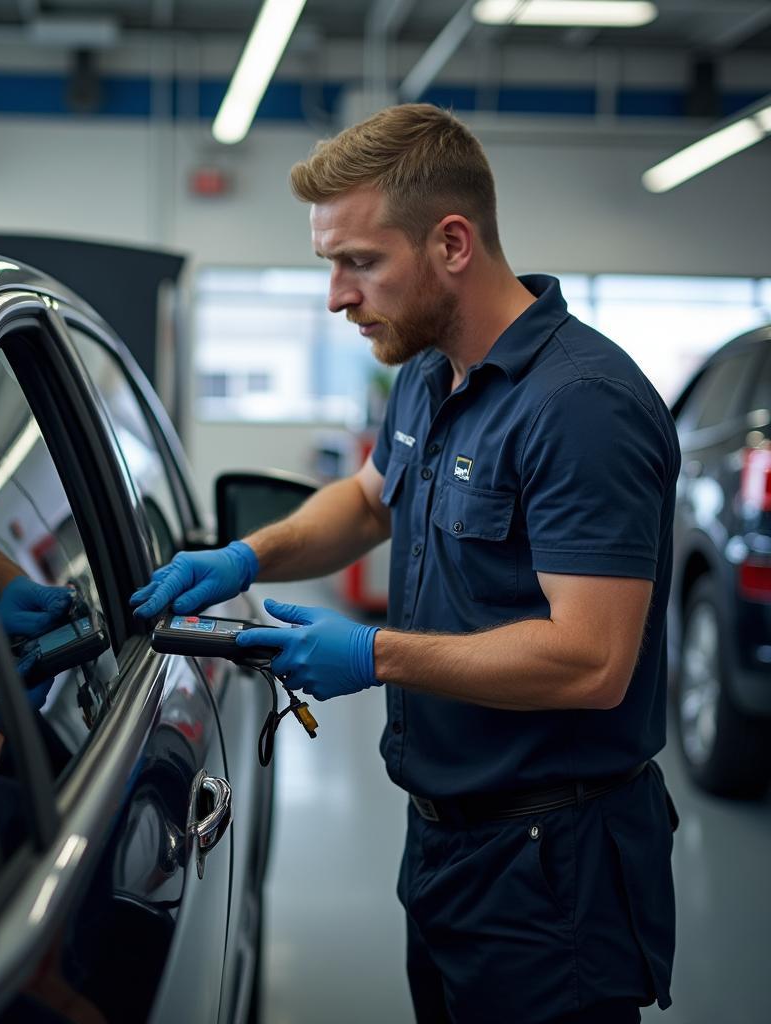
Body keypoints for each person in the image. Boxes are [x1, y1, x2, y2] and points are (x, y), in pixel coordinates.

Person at [131, 104, 679, 1024]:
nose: (339, 296)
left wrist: (375, 656)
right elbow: (367, 501)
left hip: (553, 871)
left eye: (360, 262)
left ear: (452, 243)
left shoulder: (581, 407)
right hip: (445, 846)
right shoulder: (428, 370)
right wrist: (241, 556)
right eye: (331, 265)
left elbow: (593, 660)